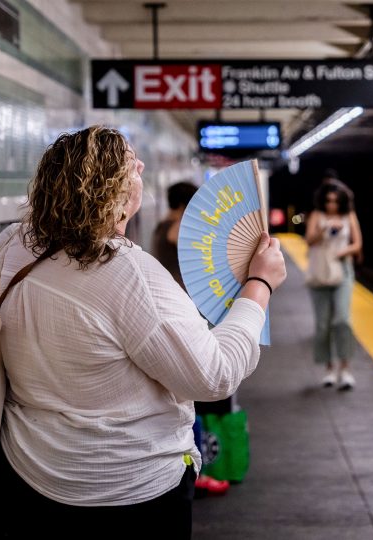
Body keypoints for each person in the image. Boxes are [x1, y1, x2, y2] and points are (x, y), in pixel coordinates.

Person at [0, 126, 286, 538]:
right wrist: (258, 287)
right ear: (114, 196)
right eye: (129, 163)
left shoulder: (10, 245)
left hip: (25, 481)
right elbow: (214, 374)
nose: (140, 165)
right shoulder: (131, 275)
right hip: (128, 497)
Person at [152, 181, 231, 497]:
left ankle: (194, 467)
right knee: (192, 398)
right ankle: (195, 472)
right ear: (186, 205)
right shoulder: (177, 227)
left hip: (175, 310)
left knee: (184, 397)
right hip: (185, 312)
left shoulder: (160, 226)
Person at [304, 179, 363, 390]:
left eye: (336, 201)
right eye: (328, 201)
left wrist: (342, 252)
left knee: (342, 320)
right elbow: (309, 240)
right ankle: (329, 369)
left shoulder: (349, 216)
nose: (332, 205)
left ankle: (345, 369)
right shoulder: (316, 216)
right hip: (320, 272)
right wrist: (324, 228)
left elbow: (357, 244)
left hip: (342, 270)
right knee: (322, 324)